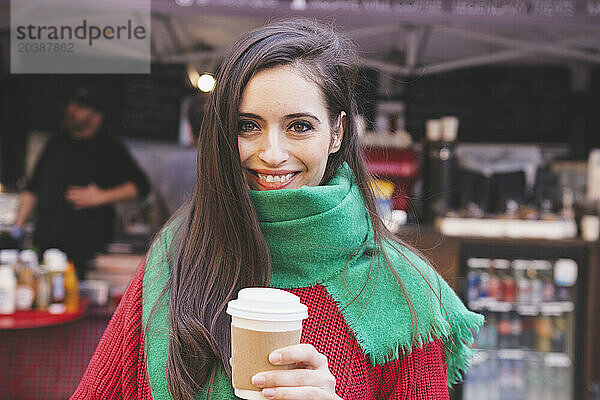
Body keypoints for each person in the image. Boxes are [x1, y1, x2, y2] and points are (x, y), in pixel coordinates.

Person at [72, 19, 483, 400]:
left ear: (337, 132)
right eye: (248, 125)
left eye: (299, 126)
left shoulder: (402, 287)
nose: (271, 153)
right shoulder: (177, 255)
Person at [13, 87, 150, 278]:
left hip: (86, 250)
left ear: (97, 116)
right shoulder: (55, 144)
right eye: (71, 104)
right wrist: (18, 224)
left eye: (79, 107)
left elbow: (140, 187)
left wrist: (101, 196)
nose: (71, 110)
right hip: (45, 246)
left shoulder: (109, 148)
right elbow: (33, 187)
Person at [156, 94, 207, 216]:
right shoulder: (231, 163)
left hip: (175, 234)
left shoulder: (166, 164)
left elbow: (159, 220)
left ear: (189, 130)